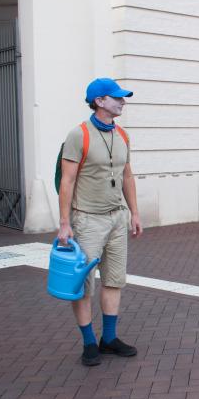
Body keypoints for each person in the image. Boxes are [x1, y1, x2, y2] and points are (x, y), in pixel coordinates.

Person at [57, 77, 143, 366]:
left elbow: (127, 176)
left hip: (117, 218)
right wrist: (64, 222)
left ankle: (109, 338)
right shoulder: (78, 135)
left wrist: (134, 212)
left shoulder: (123, 135)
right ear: (99, 102)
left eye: (123, 97)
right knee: (83, 285)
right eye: (116, 97)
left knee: (114, 280)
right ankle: (89, 342)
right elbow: (67, 181)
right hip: (87, 219)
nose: (122, 102)